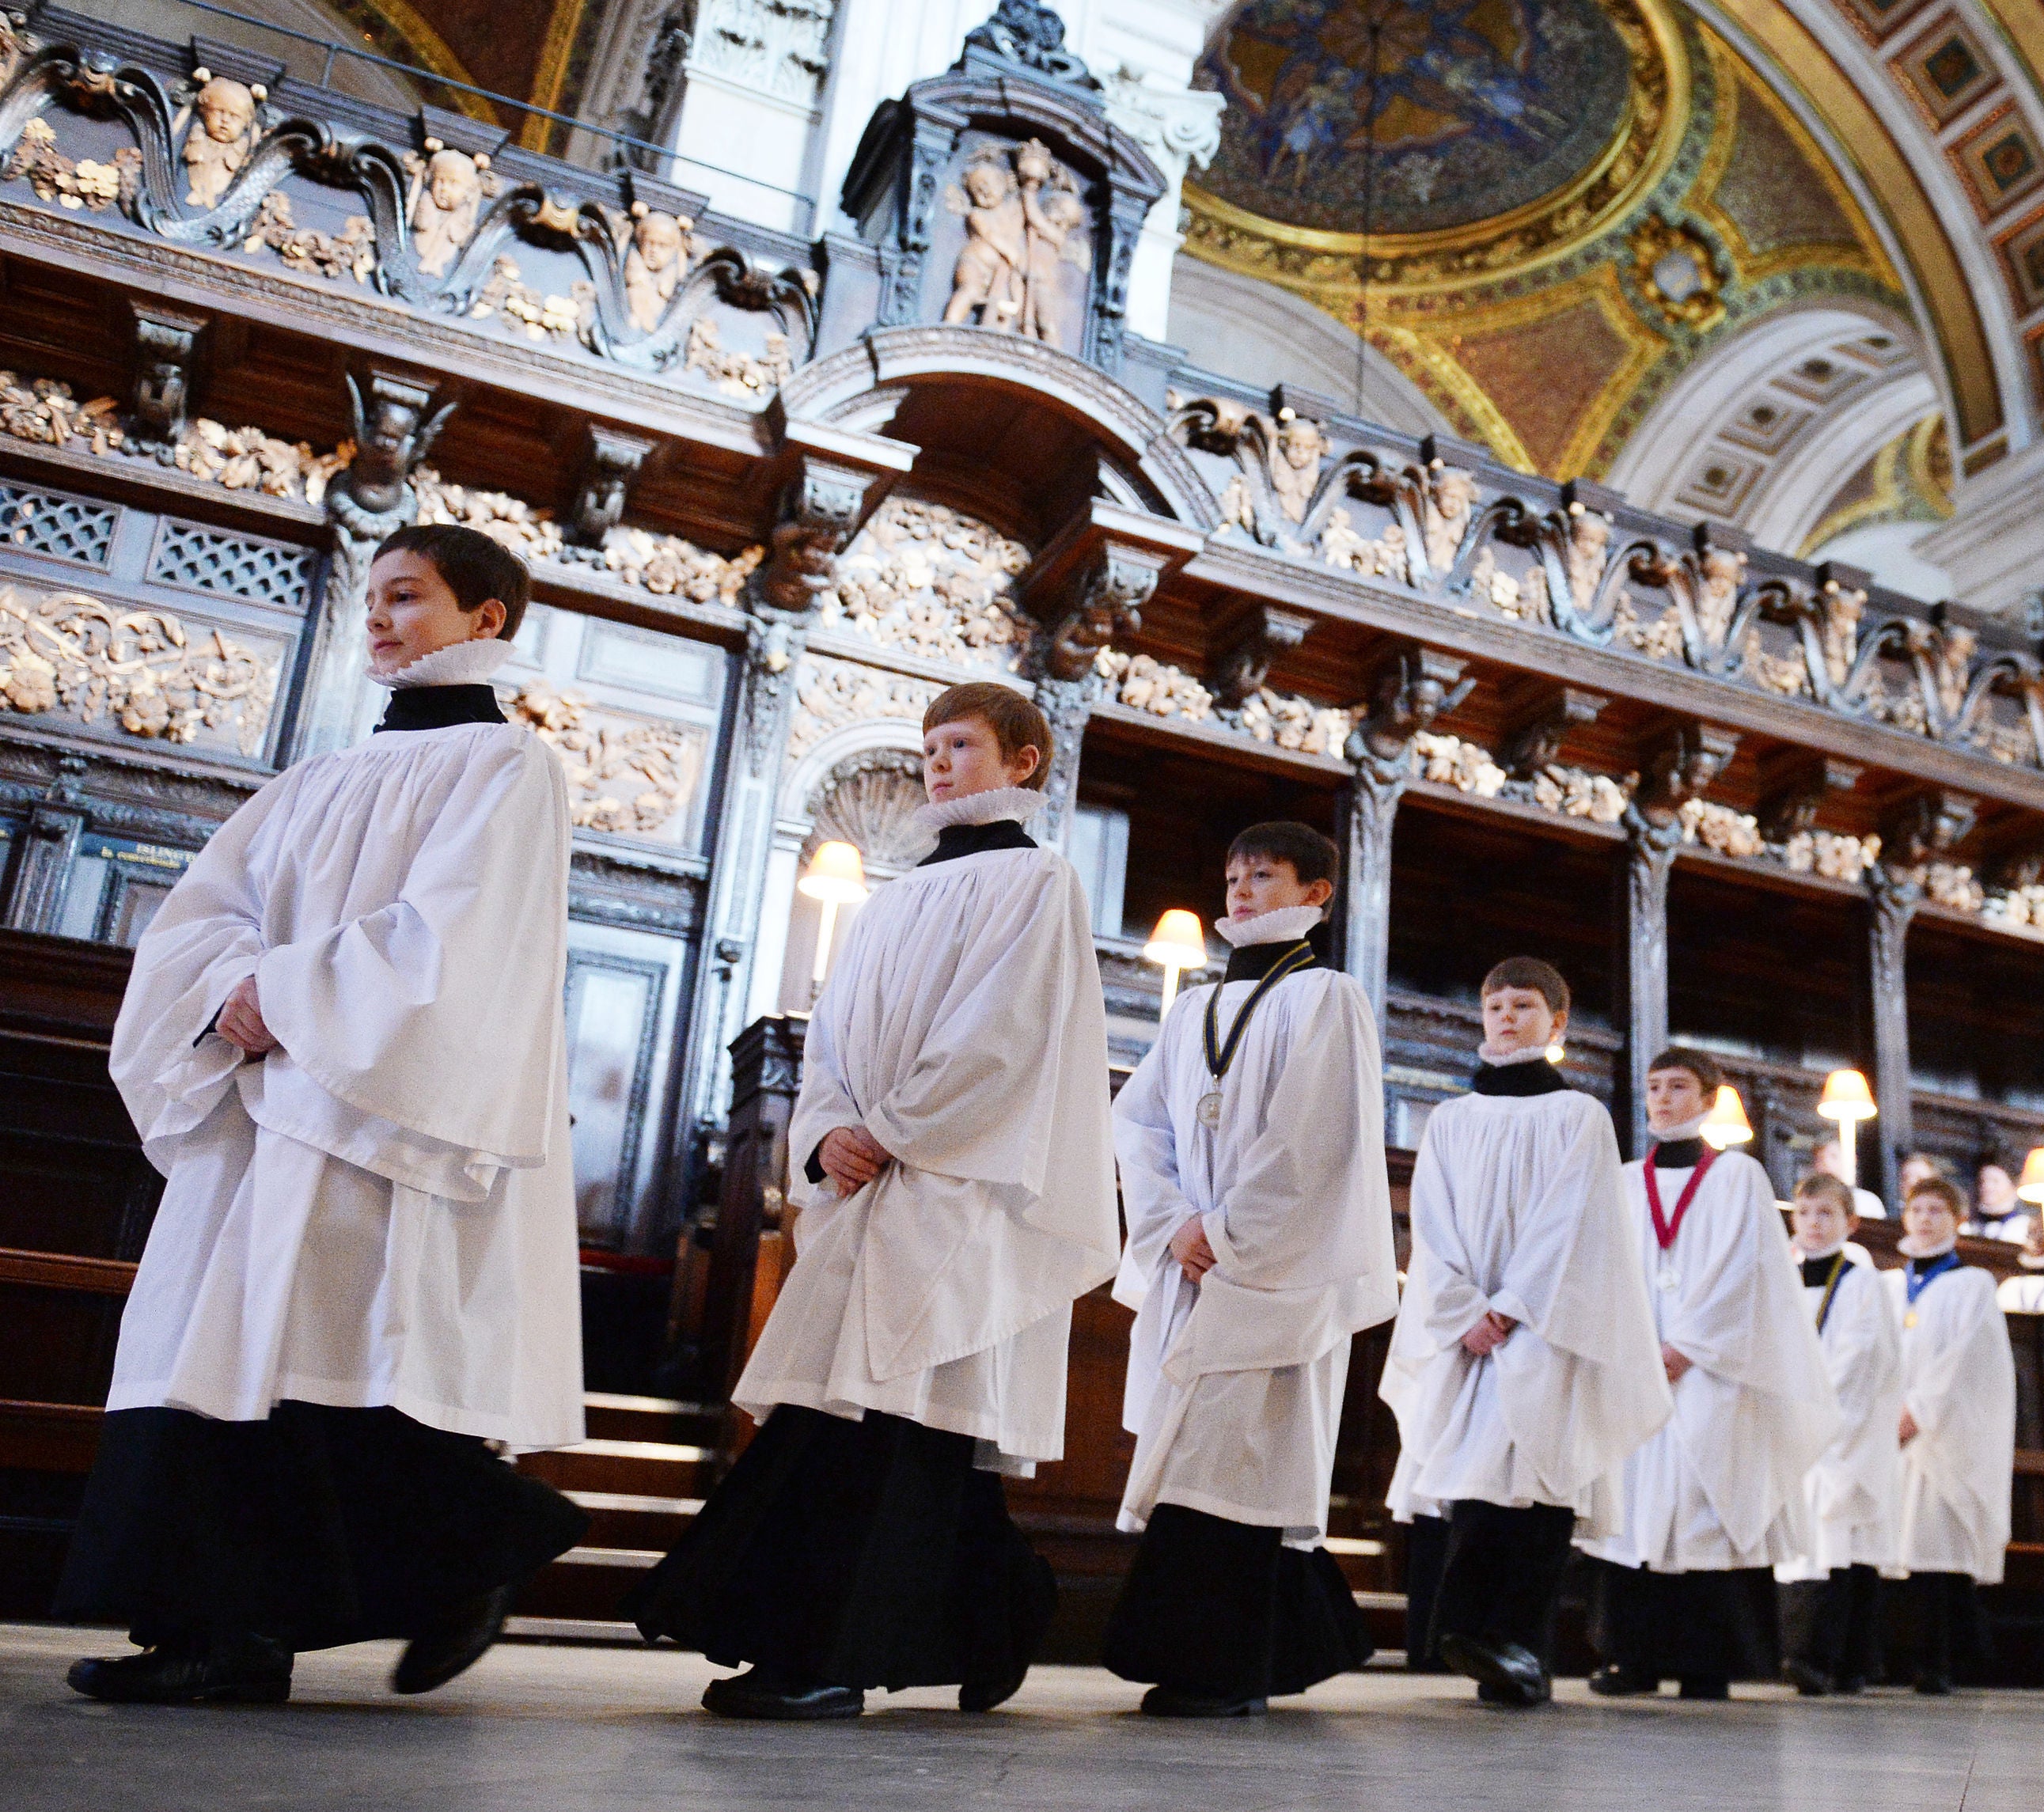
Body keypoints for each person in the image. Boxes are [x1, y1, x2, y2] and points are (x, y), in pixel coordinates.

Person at [55, 524, 587, 1704]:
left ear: (485, 619)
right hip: (262, 1096)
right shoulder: (315, 779)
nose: (383, 620)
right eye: (374, 602)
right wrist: (225, 988)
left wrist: (281, 993)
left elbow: (454, 939)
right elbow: (207, 911)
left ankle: (361, 1584)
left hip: (366, 1106)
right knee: (226, 1358)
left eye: (409, 597)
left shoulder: (507, 766)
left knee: (308, 1360)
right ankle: (278, 1612)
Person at [626, 684, 1118, 1719]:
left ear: (1023, 762)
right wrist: (827, 1132)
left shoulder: (1038, 884)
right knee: (891, 1426)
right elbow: (833, 1039)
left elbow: (1002, 1037)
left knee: (891, 1423)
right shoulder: (894, 896)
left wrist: (889, 1131)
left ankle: (826, 1656)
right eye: (930, 746)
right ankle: (1000, 1610)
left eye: (962, 745)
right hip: (870, 1185)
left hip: (955, 1188)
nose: (938, 763)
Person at [1101, 822, 1397, 1716]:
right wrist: (1170, 1224)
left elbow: (1316, 1142)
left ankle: (1228, 1668)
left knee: (1240, 1460)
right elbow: (1137, 1124)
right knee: (1200, 1458)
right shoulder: (1192, 1008)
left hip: (1275, 1270)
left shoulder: (1327, 998)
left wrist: (1226, 1234)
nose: (1239, 892)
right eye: (1231, 876)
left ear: (1315, 895)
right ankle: (1274, 1650)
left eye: (1262, 877)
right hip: (1194, 1260)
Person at [1381, 958, 1669, 1708]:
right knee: (1476, 1478)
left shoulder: (1579, 1117)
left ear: (1557, 1022)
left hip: (1547, 1323)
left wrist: (1509, 1306)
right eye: (1495, 1004)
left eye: (1524, 1005)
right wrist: (1461, 1307)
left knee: (1542, 1480)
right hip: (1467, 1325)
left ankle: (1514, 1648)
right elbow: (1431, 1225)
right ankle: (1483, 1640)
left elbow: (1574, 1223)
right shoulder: (1450, 1120)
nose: (1506, 1017)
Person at [1579, 1048, 1838, 1700]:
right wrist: (1638, 1347)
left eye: (1679, 1087)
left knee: (1703, 1502)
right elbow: (1604, 1268)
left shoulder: (1738, 1178)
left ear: (1707, 1099)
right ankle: (1630, 1658)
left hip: (1712, 1371)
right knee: (1634, 1508)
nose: (1663, 1099)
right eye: (1655, 1087)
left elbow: (1745, 1270)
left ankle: (1707, 1662)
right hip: (1636, 1367)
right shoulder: (1622, 1179)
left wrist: (1687, 1346)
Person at [1887, 1176, 2015, 1693]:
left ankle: (1940, 1661)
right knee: (1898, 1545)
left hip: (1943, 1434)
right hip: (1890, 1431)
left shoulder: (1973, 1283)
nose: (1925, 1219)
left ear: (1958, 1220)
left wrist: (1917, 1411)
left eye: (1937, 1210)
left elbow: (1962, 1359)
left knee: (1937, 1544)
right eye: (1917, 1209)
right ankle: (1895, 1659)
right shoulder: (1888, 1283)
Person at [1777, 1173, 1903, 1696]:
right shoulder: (1783, 1278)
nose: (1813, 1224)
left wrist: (1817, 1415)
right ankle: (1809, 1655)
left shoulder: (1861, 1282)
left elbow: (1859, 1356)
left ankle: (1837, 1659)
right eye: (1804, 1214)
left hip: (1841, 1429)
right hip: (1794, 1428)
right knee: (1806, 1542)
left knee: (1839, 1539)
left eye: (1826, 1214)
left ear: (1850, 1223)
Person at [1789, 1172, 1875, 1279]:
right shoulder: (1784, 1273)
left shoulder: (1861, 1278)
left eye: (1825, 1212)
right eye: (1803, 1212)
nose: (1813, 1222)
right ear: (1793, 1220)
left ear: (1851, 1223)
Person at [1965, 1154, 2027, 1245]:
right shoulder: (1967, 1226)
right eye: (1982, 1181)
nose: (1987, 1187)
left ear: (2014, 1187)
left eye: (1995, 1181)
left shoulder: (2023, 1227)